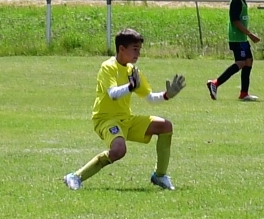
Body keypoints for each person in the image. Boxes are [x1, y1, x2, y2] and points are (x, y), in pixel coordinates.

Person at [64, 28, 186, 191]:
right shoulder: (108, 67)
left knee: (165, 126)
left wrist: (167, 95)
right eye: (135, 49)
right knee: (119, 150)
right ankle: (75, 176)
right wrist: (130, 86)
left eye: (139, 50)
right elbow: (113, 94)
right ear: (121, 49)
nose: (138, 54)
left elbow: (149, 98)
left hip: (126, 119)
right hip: (106, 120)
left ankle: (159, 175)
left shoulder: (133, 71)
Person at [207, 0, 261, 101]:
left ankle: (244, 93)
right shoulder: (236, 1)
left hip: (242, 39)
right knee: (241, 62)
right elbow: (235, 21)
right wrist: (250, 34)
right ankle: (215, 83)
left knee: (248, 61)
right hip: (237, 38)